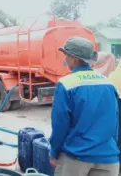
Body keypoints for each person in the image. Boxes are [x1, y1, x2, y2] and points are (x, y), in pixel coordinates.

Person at [49, 37, 119, 176]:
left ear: (74, 59)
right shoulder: (108, 83)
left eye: (66, 55)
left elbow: (60, 125)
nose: (65, 60)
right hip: (108, 158)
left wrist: (54, 151)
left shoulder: (66, 84)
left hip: (76, 158)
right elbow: (115, 123)